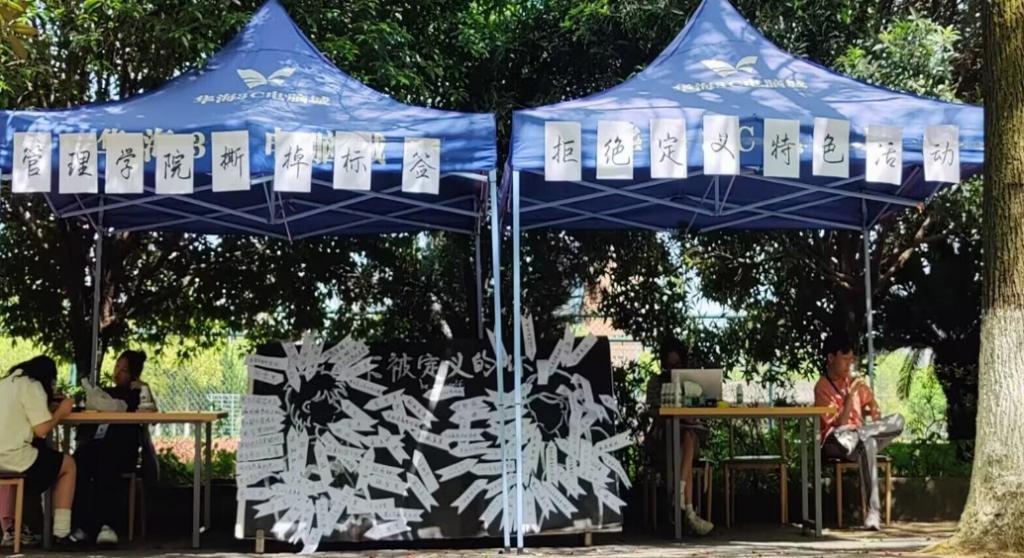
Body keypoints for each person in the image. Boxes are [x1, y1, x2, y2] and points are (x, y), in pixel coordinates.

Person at [814, 333, 905, 530]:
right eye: (845, 359)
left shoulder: (853, 381)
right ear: (831, 358)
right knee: (859, 437)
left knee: (895, 422)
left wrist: (872, 405)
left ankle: (873, 514)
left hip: (859, 438)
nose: (849, 364)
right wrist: (850, 397)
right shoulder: (822, 387)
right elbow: (840, 424)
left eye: (851, 359)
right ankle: (873, 512)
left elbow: (875, 412)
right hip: (836, 441)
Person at [72, 350, 157, 545]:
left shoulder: (138, 394)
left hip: (122, 449)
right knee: (77, 462)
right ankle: (81, 524)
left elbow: (152, 414)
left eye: (124, 370)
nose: (117, 372)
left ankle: (108, 525)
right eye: (117, 366)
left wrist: (144, 388)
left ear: (134, 374)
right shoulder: (106, 394)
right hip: (97, 445)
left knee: (107, 464)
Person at [0, 356, 80, 544]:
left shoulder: (5, 383)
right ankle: (61, 533)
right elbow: (42, 430)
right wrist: (61, 412)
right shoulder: (32, 386)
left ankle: (17, 527)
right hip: (15, 458)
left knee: (45, 461)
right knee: (67, 465)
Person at [646, 338, 714, 536]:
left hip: (684, 440)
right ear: (663, 364)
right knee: (687, 448)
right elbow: (654, 412)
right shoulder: (656, 382)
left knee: (688, 437)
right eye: (669, 365)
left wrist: (691, 415)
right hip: (663, 441)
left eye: (677, 365)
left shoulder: (691, 383)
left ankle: (680, 497)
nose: (673, 369)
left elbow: (702, 410)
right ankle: (689, 511)